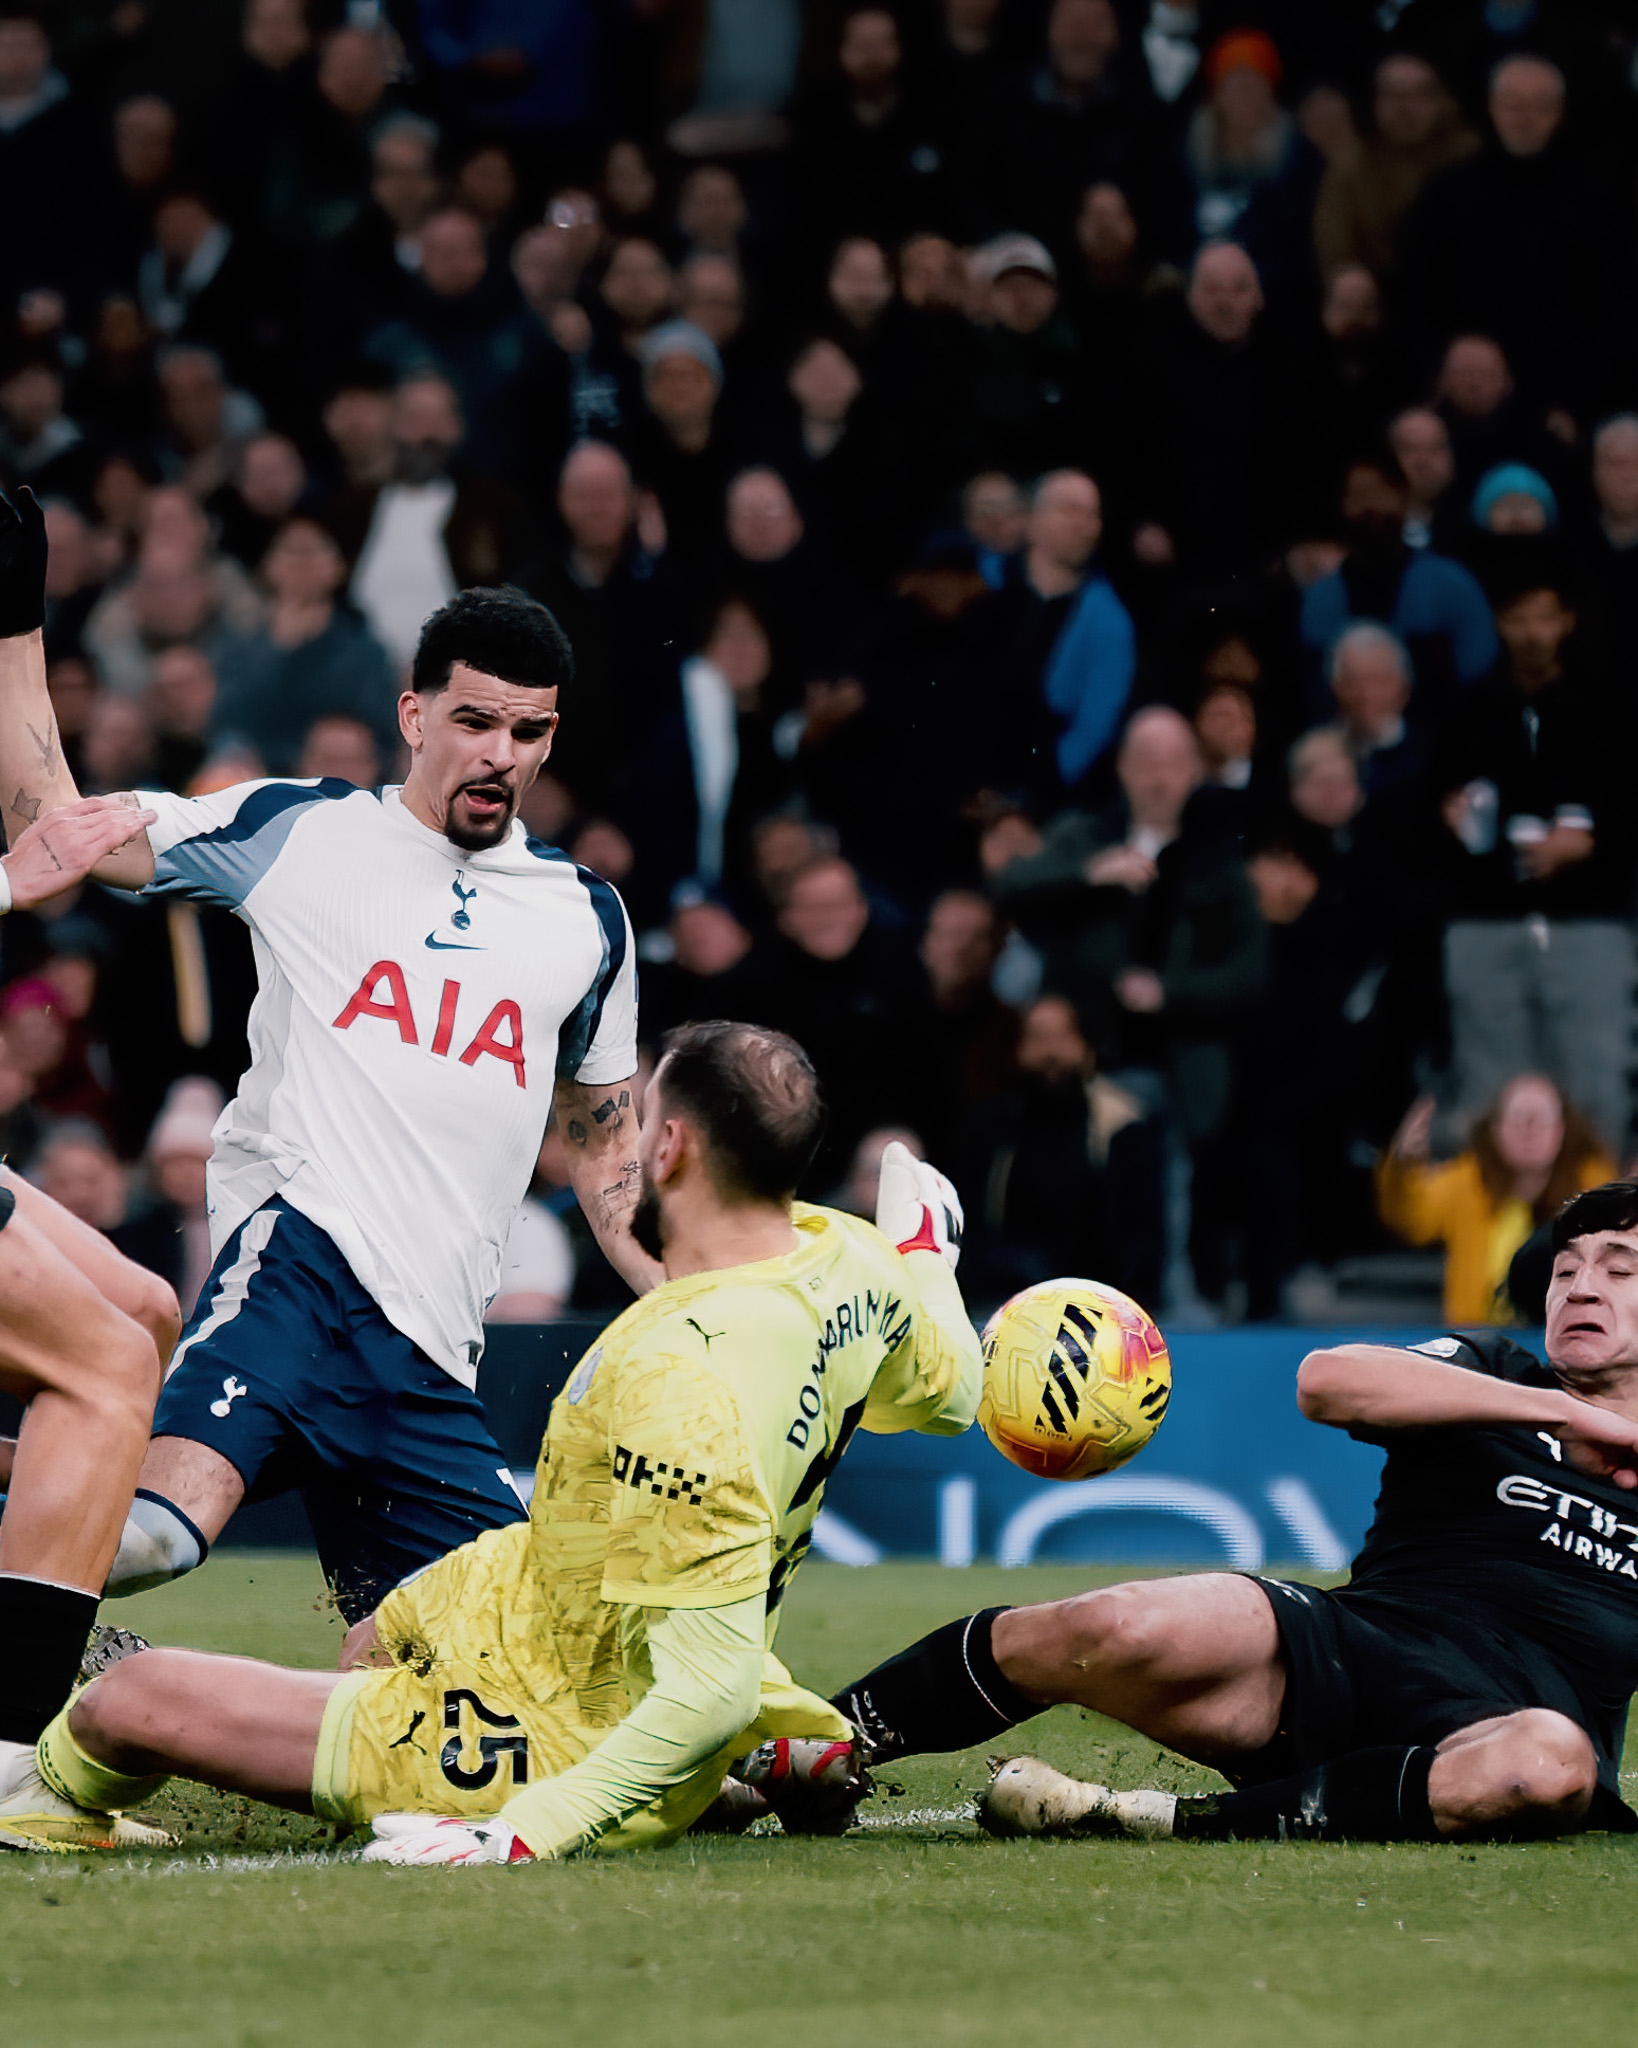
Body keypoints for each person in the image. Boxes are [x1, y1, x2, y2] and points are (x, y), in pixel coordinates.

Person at [5, 1026, 982, 1864]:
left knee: (129, 1696)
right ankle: (782, 1744)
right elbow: (952, 1391)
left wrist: (523, 1829)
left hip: (551, 1736)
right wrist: (926, 1254)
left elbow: (709, 1685)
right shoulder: (848, 1258)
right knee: (377, 1629)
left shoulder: (677, 1368)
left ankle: (39, 1790)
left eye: (636, 1118)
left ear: (673, 1146)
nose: (624, 1140)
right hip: (548, 1608)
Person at [0, 486, 656, 1626]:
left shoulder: (588, 917)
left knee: (516, 1665)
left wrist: (660, 1281)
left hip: (432, 1356)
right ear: (413, 714)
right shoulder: (298, 828)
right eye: (474, 720)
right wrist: (15, 621)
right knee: (152, 1536)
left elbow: (603, 1135)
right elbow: (50, 822)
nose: (501, 754)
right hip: (299, 1274)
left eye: (530, 730)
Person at [829, 1178, 1638, 1844]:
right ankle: (808, 1751)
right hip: (1346, 1651)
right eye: (1567, 1268)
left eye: (1619, 1268)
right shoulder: (1496, 1375)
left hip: (1515, 1721)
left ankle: (1156, 1821)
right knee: (1116, 1625)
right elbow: (1328, 1380)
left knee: (1545, 1768)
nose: (1580, 1287)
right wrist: (1568, 1415)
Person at [1378, 1078, 1614, 1326]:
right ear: (1495, 1128)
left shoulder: (1594, 1189)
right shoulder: (1466, 1182)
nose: (1529, 1130)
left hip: (1565, 1340)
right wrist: (1404, 1167)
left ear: (1562, 1129)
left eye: (1541, 1119)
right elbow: (1411, 1220)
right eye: (1518, 1118)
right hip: (1478, 1338)